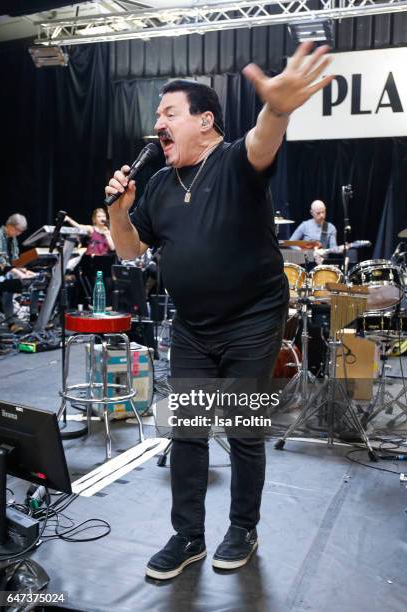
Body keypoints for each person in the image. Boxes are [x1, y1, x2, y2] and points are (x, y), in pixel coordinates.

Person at [106, 42, 333, 580]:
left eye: (168, 113)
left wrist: (277, 107)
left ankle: (243, 528)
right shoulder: (159, 183)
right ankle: (187, 535)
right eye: (156, 115)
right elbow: (131, 250)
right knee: (186, 430)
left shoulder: (235, 160)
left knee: (240, 427)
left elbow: (263, 138)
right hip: (192, 325)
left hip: (252, 319)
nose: (157, 123)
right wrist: (118, 209)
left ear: (205, 121)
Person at [0, 214, 36, 330]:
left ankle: (34, 318)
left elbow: (15, 261)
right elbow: (1, 262)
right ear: (9, 226)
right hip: (1, 273)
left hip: (6, 273)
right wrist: (16, 271)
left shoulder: (13, 239)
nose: (18, 234)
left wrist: (25, 270)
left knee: (36, 281)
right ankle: (11, 323)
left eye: (20, 231)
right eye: (17, 230)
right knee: (9, 282)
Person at [289, 200, 341, 264]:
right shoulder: (305, 225)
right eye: (318, 213)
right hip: (306, 262)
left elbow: (333, 248)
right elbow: (291, 242)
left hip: (323, 263)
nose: (322, 215)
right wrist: (305, 252)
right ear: (312, 212)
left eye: (323, 212)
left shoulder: (331, 227)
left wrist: (341, 249)